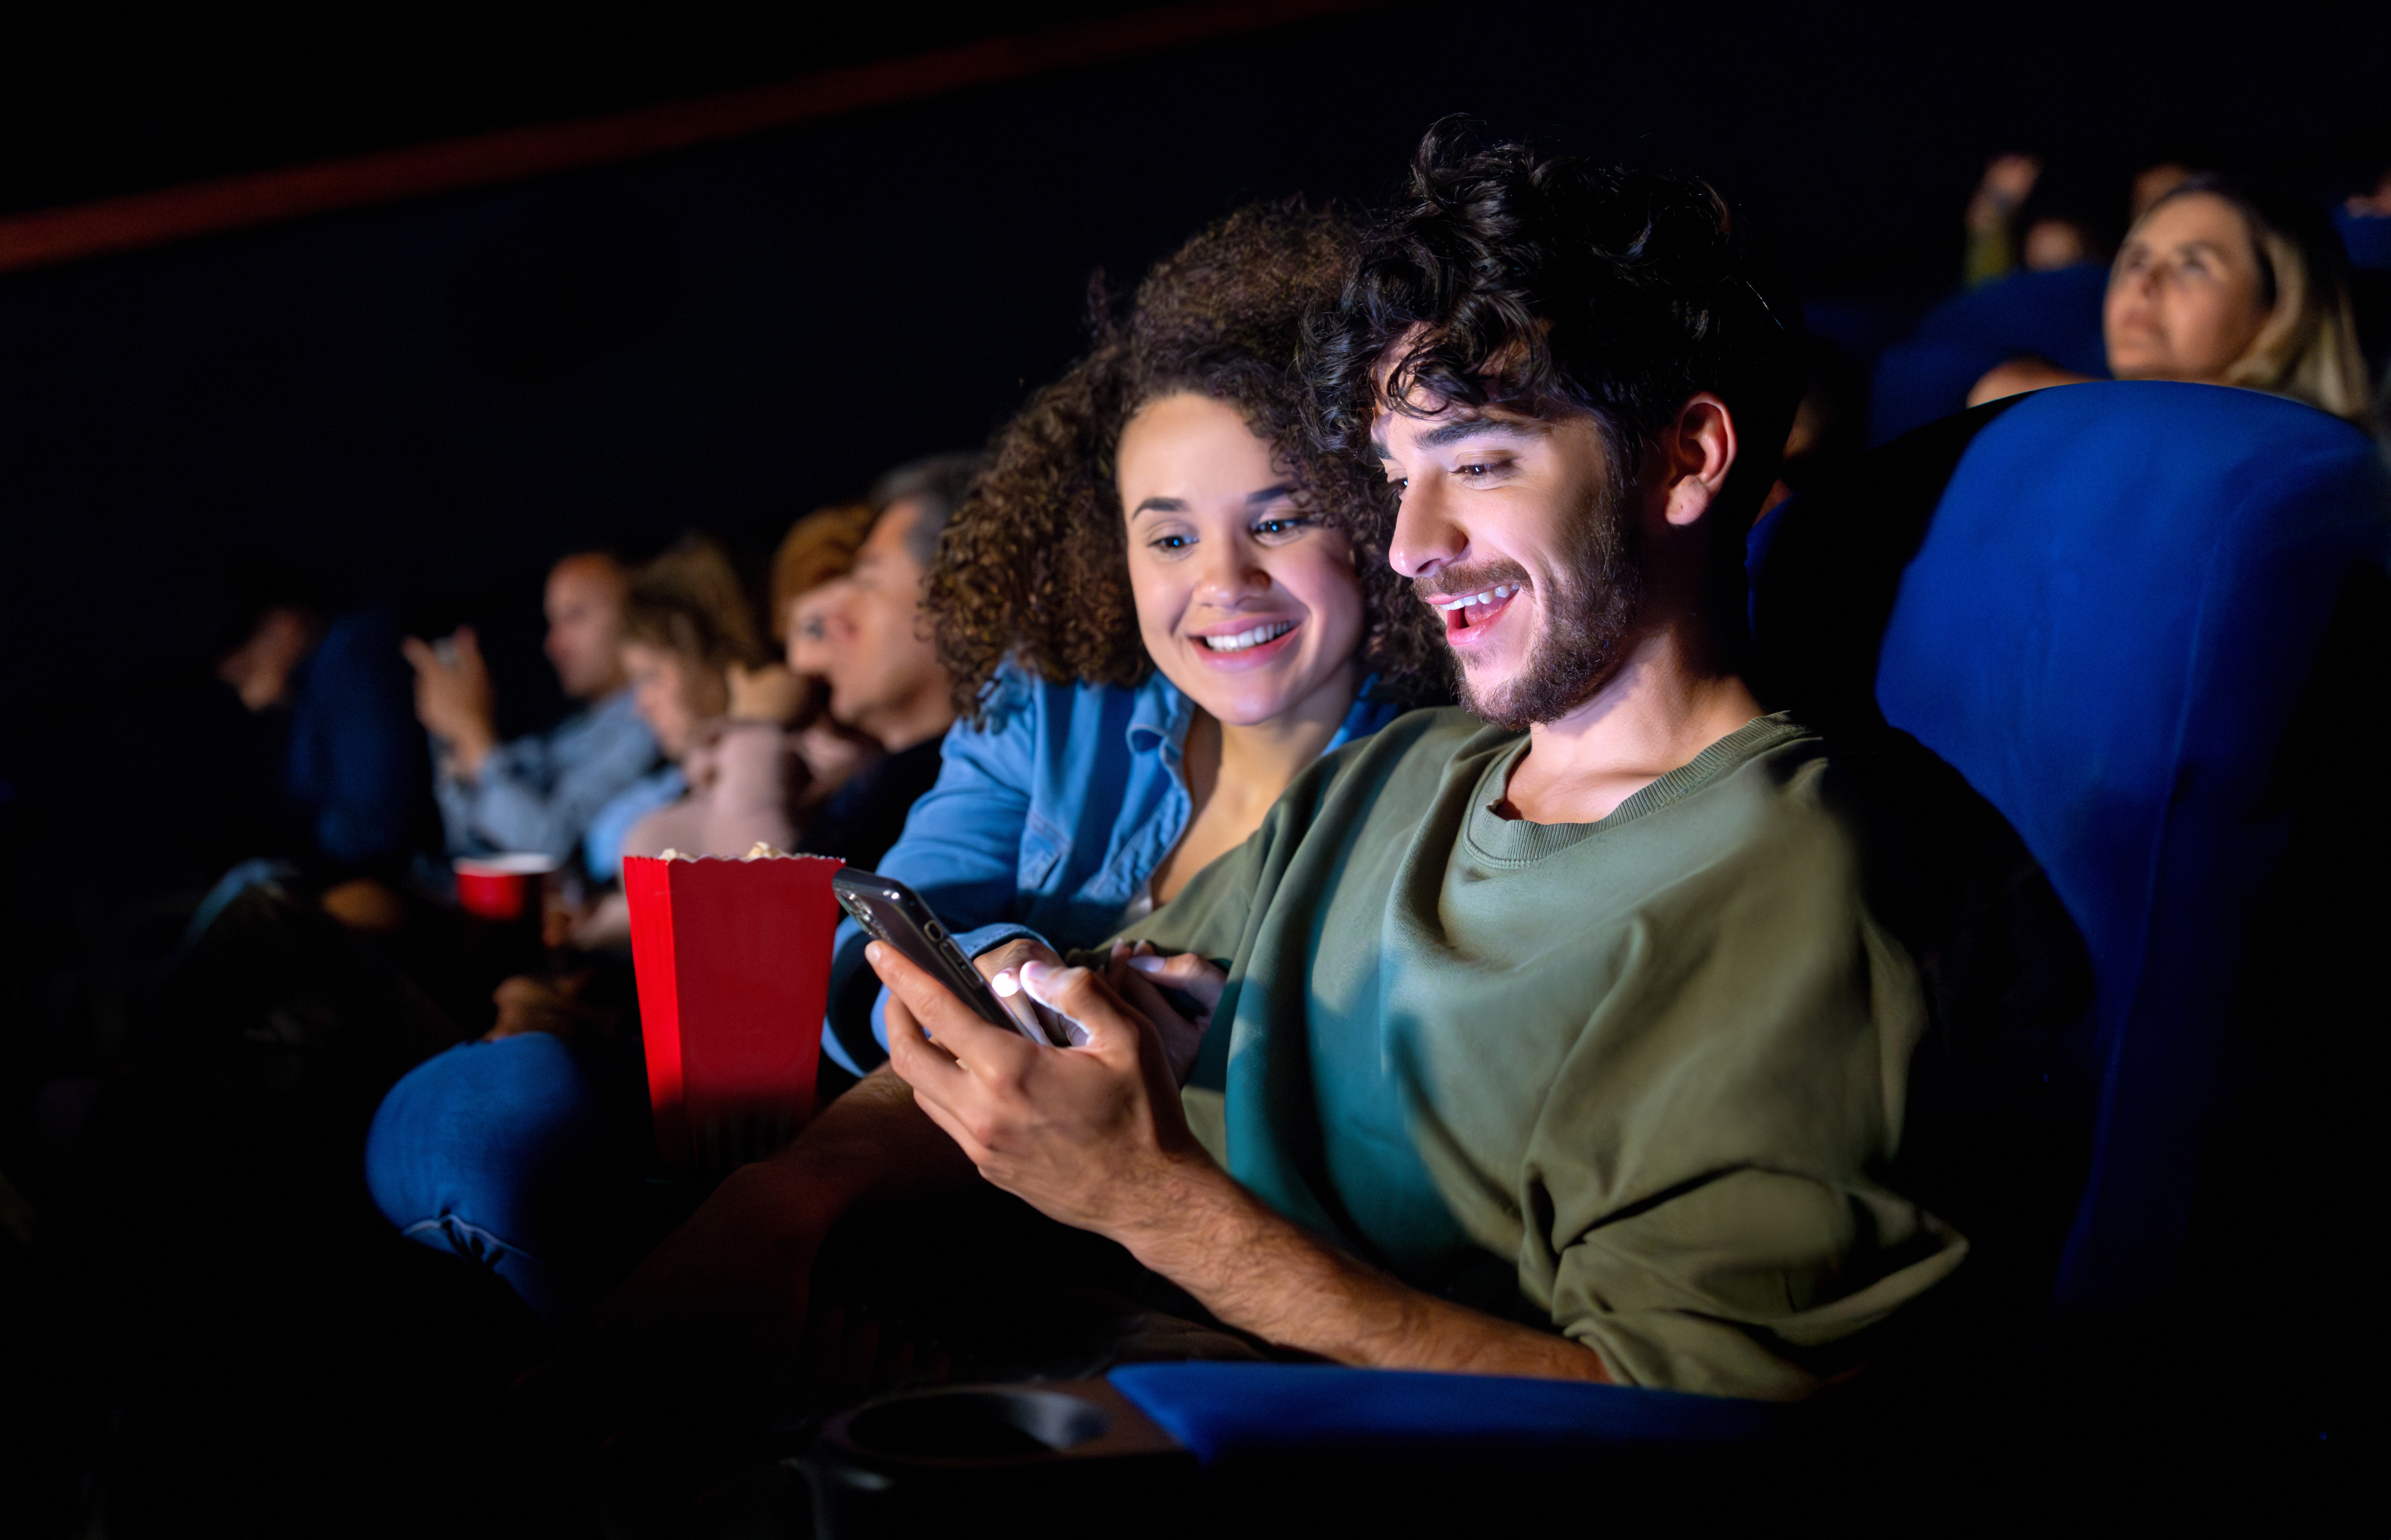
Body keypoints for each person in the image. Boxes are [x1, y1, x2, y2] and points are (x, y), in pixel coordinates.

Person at [539, 132, 1960, 1413]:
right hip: (1053, 1339)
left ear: (1686, 459)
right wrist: (780, 1210)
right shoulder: (1400, 776)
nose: (1411, 542)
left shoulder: (1778, 883)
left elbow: (1688, 1432)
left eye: (1479, 459)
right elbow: (1079, 1029)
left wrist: (1155, 1208)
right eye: (1397, 475)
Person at [816, 203, 1441, 1076]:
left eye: (1281, 521)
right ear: (1116, 554)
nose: (1225, 583)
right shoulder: (1046, 706)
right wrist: (996, 971)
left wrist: (1245, 1064)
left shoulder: (1451, 782)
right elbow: (863, 956)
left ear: (1373, 519)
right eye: (1173, 539)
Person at [364, 459, 975, 1320]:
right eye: (800, 621)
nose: (814, 643)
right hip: (684, 1051)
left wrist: (761, 726)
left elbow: (771, 892)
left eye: (857, 593)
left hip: (748, 1083)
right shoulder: (868, 769)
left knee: (471, 1108)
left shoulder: (871, 763)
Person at [1969, 174, 2378, 430]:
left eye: (2193, 265)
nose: (2144, 282)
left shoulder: (2312, 451)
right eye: (2135, 260)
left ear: (2282, 306)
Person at [408, 553, 660, 874]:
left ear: (636, 613)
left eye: (575, 616)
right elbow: (470, 842)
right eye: (553, 622)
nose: (554, 645)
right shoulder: (569, 731)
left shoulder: (648, 725)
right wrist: (454, 738)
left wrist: (473, 734)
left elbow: (546, 849)